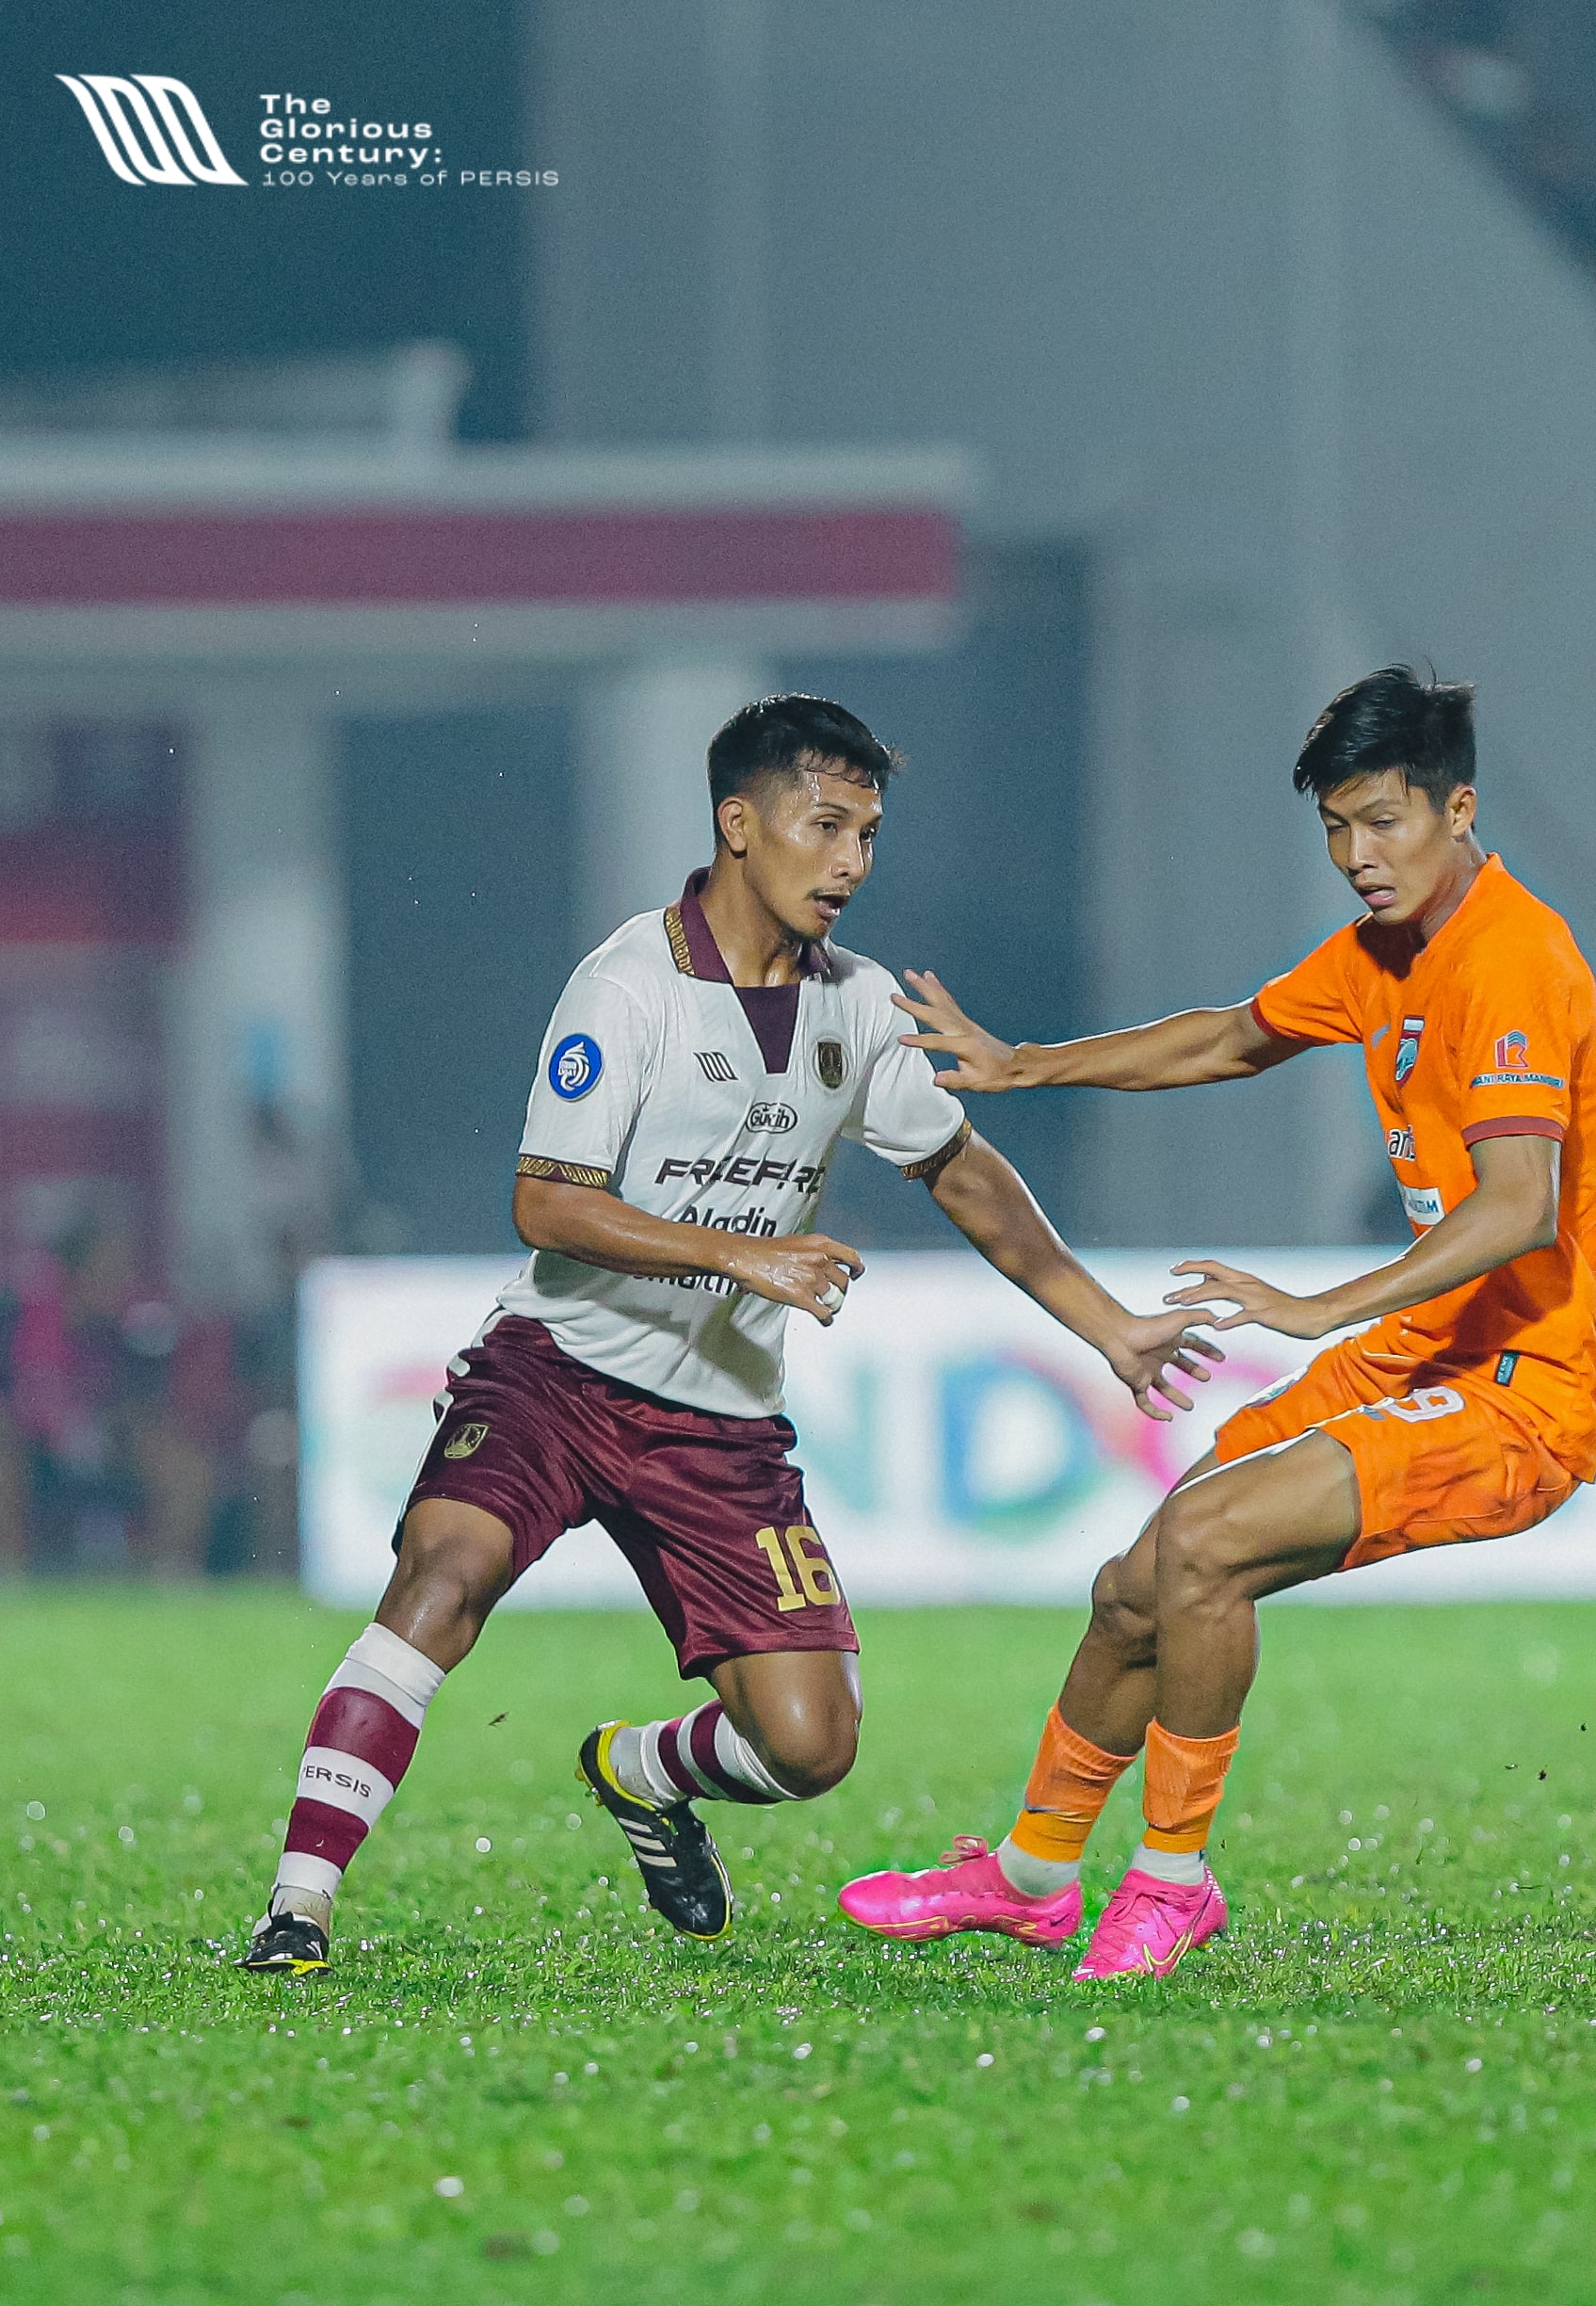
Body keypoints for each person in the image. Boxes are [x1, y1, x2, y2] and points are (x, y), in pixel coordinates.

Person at [243, 695, 1217, 1974]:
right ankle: (297, 1906)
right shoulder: (626, 985)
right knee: (442, 1574)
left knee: (812, 1746)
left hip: (719, 1422)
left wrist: (1110, 1326)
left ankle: (638, 1770)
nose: (854, 862)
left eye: (869, 833)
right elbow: (546, 1201)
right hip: (558, 1374)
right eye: (828, 827)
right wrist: (740, 1252)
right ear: (738, 825)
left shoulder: (859, 1009)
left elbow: (966, 1172)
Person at [839, 664, 1596, 1980]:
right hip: (1421, 1352)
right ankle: (1032, 1877)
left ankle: (1171, 1881)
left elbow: (1518, 1211)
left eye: (1383, 822)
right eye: (1336, 828)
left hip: (1522, 1386)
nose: (1357, 857)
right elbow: (1231, 1037)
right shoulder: (1387, 949)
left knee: (1204, 1546)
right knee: (1138, 1583)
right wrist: (1030, 1064)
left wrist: (1316, 1305)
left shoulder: (1514, 959)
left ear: (1459, 808)